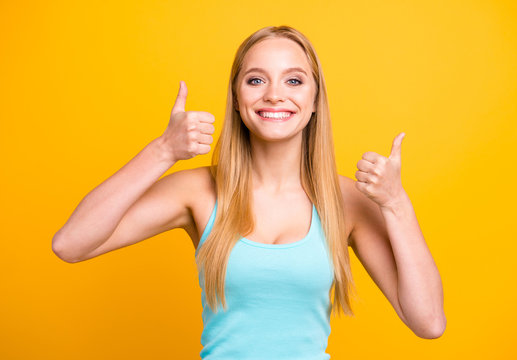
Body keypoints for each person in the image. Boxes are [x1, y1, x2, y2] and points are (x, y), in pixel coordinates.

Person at [52, 25, 446, 359]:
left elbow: (428, 322)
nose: (274, 94)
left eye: (294, 80)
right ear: (238, 101)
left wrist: (396, 203)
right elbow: (70, 245)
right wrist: (163, 151)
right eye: (256, 80)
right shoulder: (198, 191)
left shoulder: (347, 201)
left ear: (314, 102)